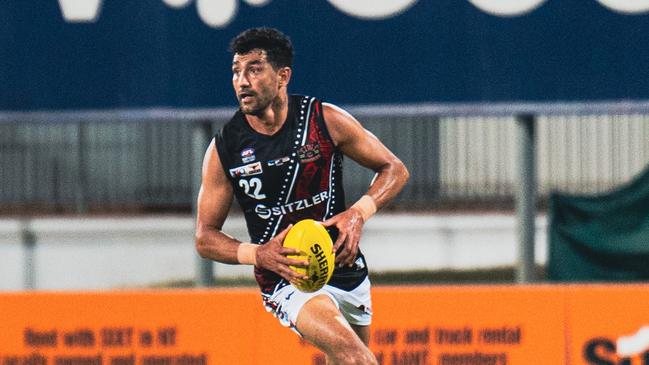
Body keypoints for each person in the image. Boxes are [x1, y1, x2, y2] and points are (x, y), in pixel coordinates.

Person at [195, 27, 409, 365]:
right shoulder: (226, 148)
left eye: (254, 68)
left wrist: (358, 213)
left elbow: (394, 169)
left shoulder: (324, 120)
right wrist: (259, 254)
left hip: (343, 264)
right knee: (357, 357)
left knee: (341, 360)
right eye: (236, 71)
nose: (242, 81)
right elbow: (205, 238)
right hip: (288, 277)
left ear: (283, 76)